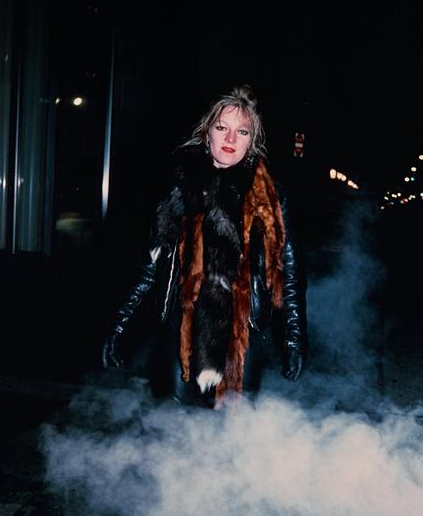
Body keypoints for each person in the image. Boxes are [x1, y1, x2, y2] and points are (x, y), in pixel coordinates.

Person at [102, 85, 307, 407]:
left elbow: (288, 272)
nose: (230, 139)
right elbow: (150, 267)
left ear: (252, 141)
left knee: (231, 437)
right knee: (172, 431)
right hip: (178, 335)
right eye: (221, 128)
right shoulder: (178, 190)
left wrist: (294, 340)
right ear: (206, 132)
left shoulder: (268, 197)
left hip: (243, 340)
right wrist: (118, 325)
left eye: (242, 132)